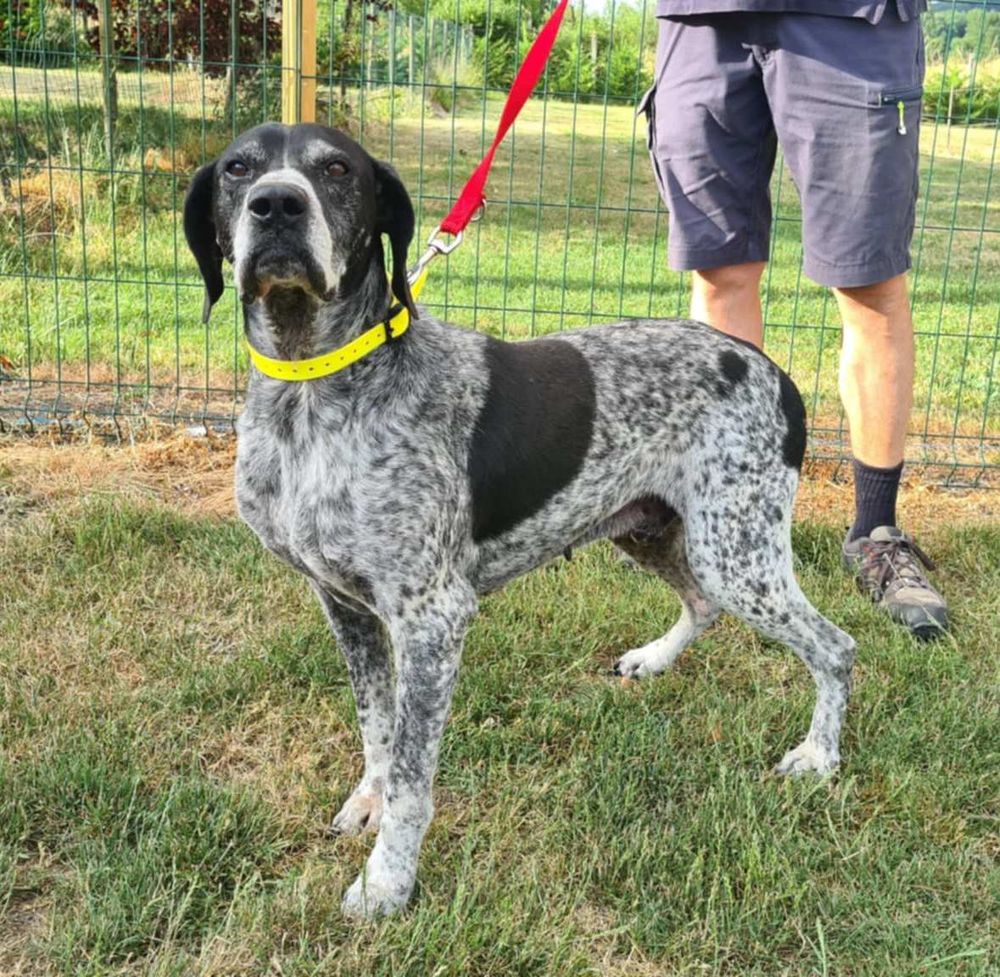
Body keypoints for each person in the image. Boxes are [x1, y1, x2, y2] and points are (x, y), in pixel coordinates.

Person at [641, 0, 948, 639]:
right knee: (719, 272)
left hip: (848, 19)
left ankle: (875, 531)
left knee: (869, 283)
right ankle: (728, 522)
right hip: (704, 17)